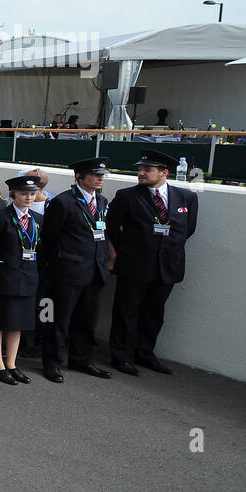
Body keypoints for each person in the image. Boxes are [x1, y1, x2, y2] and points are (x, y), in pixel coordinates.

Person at [105, 151, 198, 375]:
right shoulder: (127, 196)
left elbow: (188, 229)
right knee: (126, 312)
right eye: (140, 169)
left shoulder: (186, 198)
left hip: (167, 266)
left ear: (164, 173)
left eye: (148, 170)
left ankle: (145, 353)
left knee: (154, 313)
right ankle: (122, 356)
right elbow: (112, 227)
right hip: (135, 265)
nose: (141, 173)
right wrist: (124, 252)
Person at [40, 157, 112, 383]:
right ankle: (52, 362)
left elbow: (102, 233)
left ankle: (82, 358)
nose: (101, 178)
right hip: (68, 271)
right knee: (59, 320)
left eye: (102, 175)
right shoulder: (63, 202)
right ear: (80, 177)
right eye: (95, 174)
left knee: (87, 319)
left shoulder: (101, 201)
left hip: (94, 270)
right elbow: (50, 238)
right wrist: (58, 266)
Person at [0, 175, 42, 385]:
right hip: (6, 276)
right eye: (23, 194)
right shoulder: (0, 216)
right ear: (13, 194)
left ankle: (11, 363)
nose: (28, 197)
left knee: (18, 322)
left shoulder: (37, 219)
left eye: (32, 194)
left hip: (28, 276)